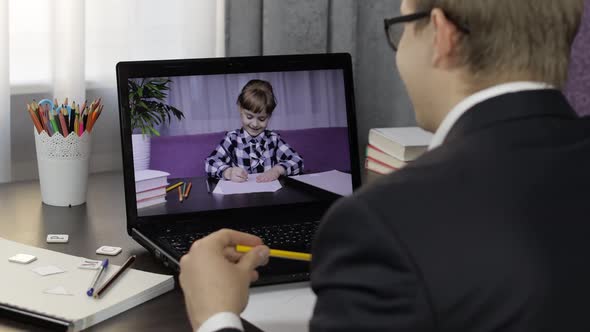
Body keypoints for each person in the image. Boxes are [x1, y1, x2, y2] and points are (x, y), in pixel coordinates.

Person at [181, 0, 590, 331]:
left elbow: (293, 161)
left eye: (403, 25)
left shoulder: (375, 223)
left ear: (441, 36)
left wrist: (216, 317)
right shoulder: (232, 141)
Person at [205, 79, 304, 183]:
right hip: (240, 197)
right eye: (249, 117)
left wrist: (277, 170)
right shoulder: (232, 139)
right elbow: (210, 163)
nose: (255, 124)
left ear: (269, 116)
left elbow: (298, 161)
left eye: (261, 119)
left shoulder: (273, 139)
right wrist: (228, 172)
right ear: (240, 109)